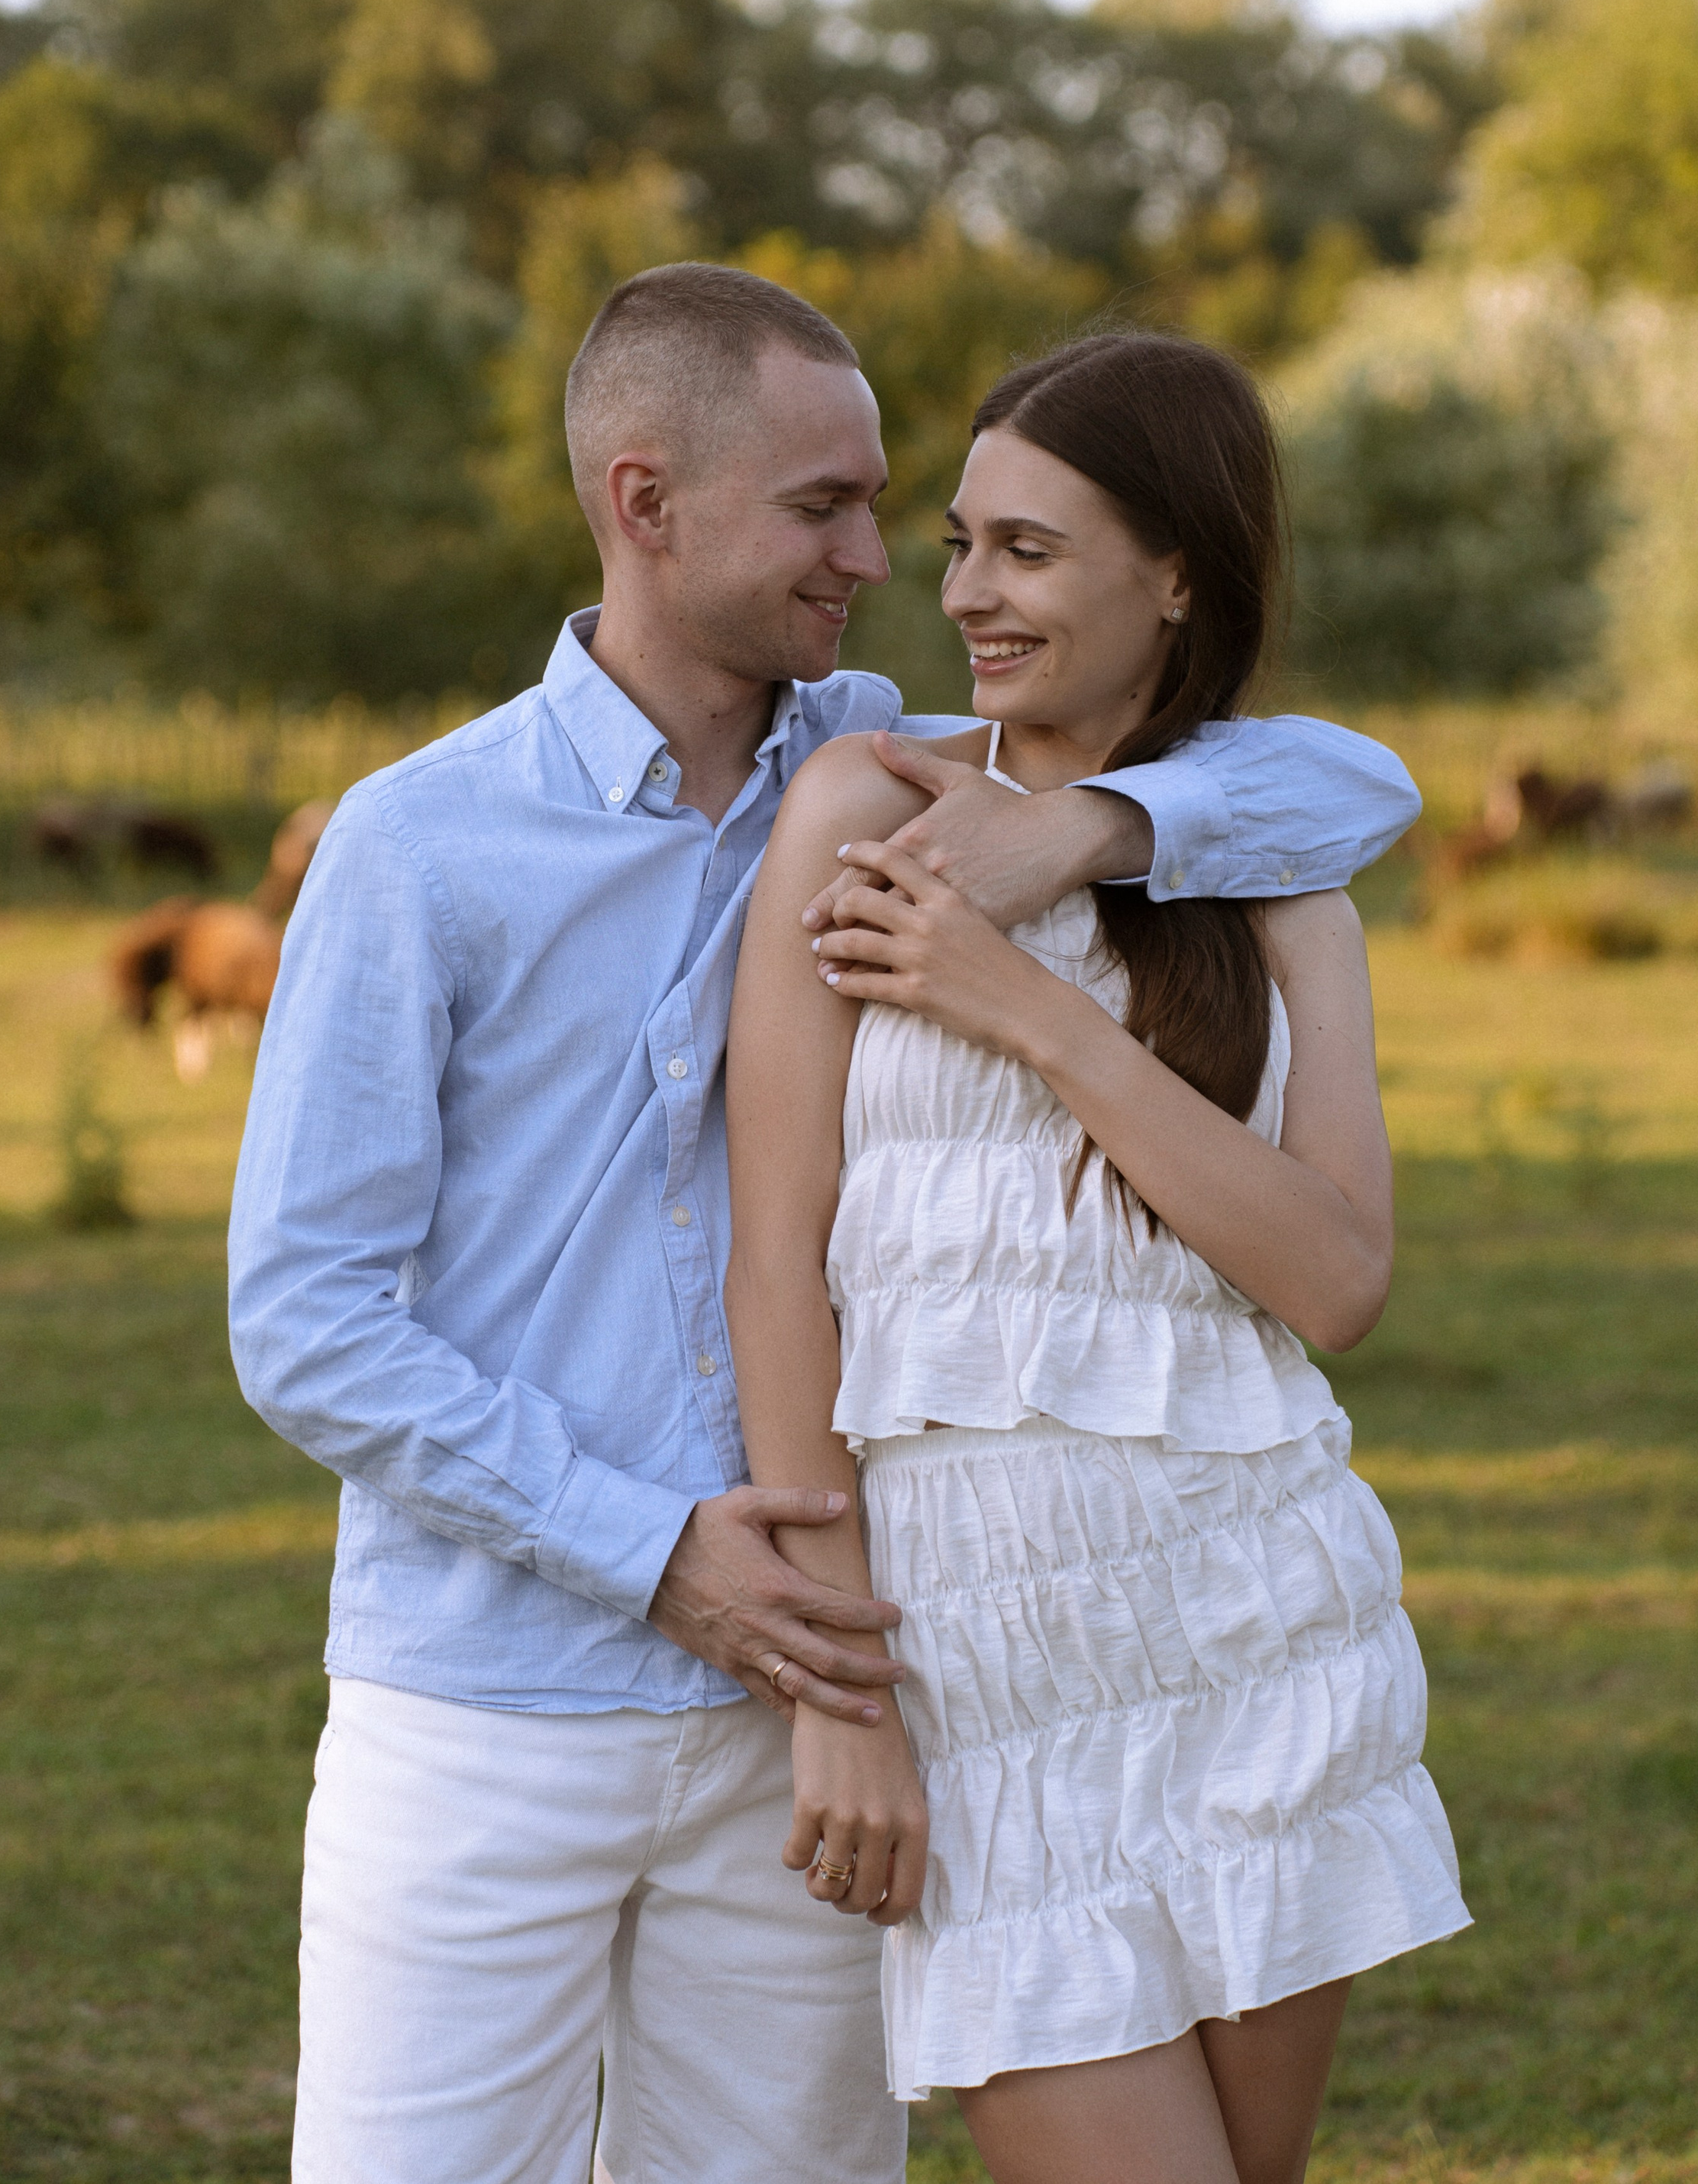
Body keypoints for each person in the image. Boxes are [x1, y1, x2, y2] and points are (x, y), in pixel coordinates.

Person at [228, 269, 1426, 2184]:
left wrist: (1096, 830)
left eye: (906, 515)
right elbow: (305, 1320)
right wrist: (659, 1557)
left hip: (827, 1703)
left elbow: (1338, 778)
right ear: (645, 503)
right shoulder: (421, 842)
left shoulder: (883, 767)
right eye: (829, 512)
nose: (887, 566)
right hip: (502, 1691)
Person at [725, 329, 1470, 2184]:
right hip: (987, 1671)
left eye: (1028, 552)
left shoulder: (1275, 866)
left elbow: (1335, 1280)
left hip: (1252, 1626)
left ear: (1177, 575)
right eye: (962, 539)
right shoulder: (863, 811)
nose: (963, 592)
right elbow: (773, 1265)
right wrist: (843, 1701)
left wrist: (1031, 1005)